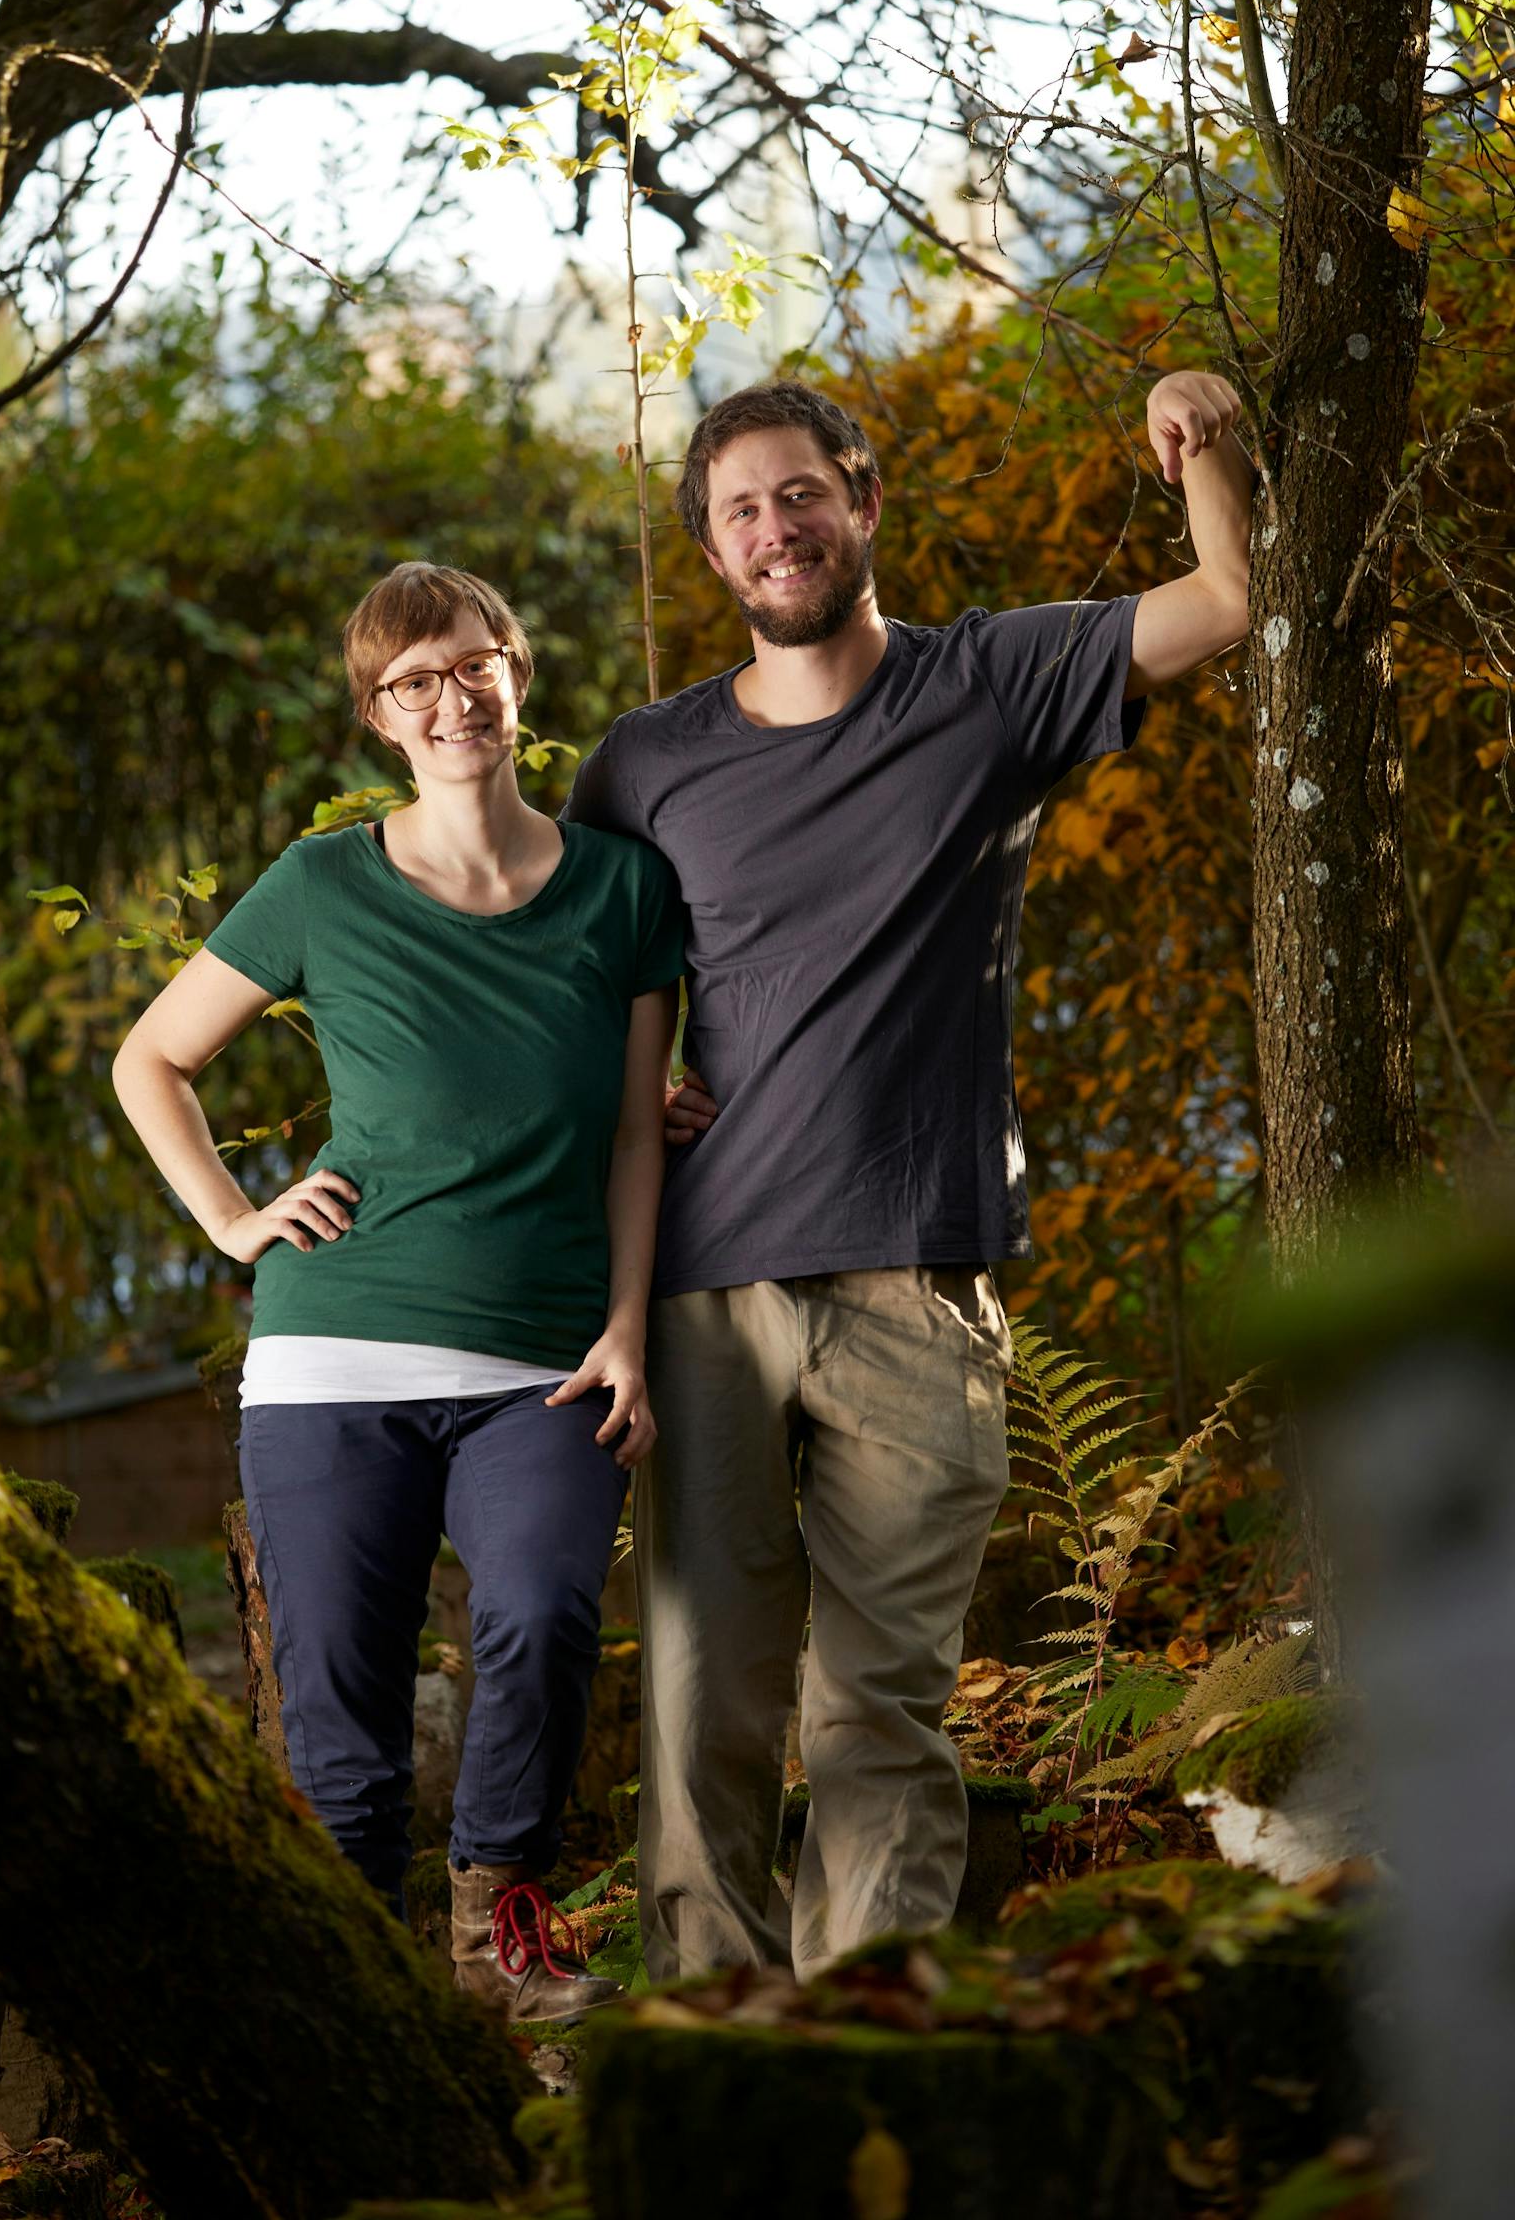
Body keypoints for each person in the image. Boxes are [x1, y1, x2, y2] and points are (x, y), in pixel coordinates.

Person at [563, 369, 1253, 1982]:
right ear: (714, 557)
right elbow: (566, 980)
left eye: (800, 494)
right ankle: (721, 2065)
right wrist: (616, 1095)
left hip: (919, 1287)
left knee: (879, 1706)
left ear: (863, 503)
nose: (774, 529)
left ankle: (870, 2050)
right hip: (703, 1295)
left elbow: (1226, 598)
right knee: (700, 1702)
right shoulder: (641, 766)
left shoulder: (989, 682)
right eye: (739, 511)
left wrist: (1205, 430)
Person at [113, 562, 684, 2017]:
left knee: (546, 1619)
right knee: (341, 1730)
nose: (451, 700)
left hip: (545, 1360)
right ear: (378, 715)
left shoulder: (623, 886)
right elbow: (150, 1060)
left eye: (472, 664)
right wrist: (237, 1222)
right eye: (412, 683)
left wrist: (629, 1323)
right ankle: (362, 2008)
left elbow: (635, 1130)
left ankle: (506, 1943)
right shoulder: (323, 884)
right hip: (332, 1359)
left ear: (518, 673)